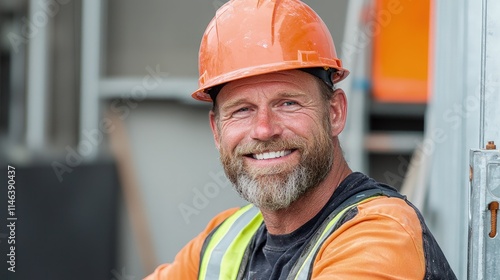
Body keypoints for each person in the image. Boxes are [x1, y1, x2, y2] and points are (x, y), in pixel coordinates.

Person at [145, 0, 457, 279]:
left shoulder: (382, 235)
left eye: (288, 103)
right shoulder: (224, 238)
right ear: (216, 130)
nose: (265, 130)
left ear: (334, 113)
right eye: (242, 110)